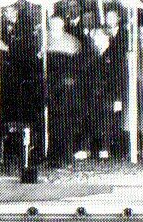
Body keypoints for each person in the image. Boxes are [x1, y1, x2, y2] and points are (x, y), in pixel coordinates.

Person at [78, 26, 123, 160]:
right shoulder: (90, 54)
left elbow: (118, 78)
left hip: (108, 94)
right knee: (89, 120)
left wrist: (118, 98)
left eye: (99, 36)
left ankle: (105, 148)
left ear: (107, 37)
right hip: (91, 93)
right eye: (95, 36)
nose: (96, 39)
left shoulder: (115, 55)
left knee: (106, 121)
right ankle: (86, 148)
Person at [44, 14, 83, 162]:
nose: (55, 25)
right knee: (50, 117)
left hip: (65, 86)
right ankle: (49, 151)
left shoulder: (72, 41)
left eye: (58, 23)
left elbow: (76, 65)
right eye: (52, 23)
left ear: (63, 24)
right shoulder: (43, 39)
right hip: (48, 84)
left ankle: (65, 152)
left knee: (64, 118)